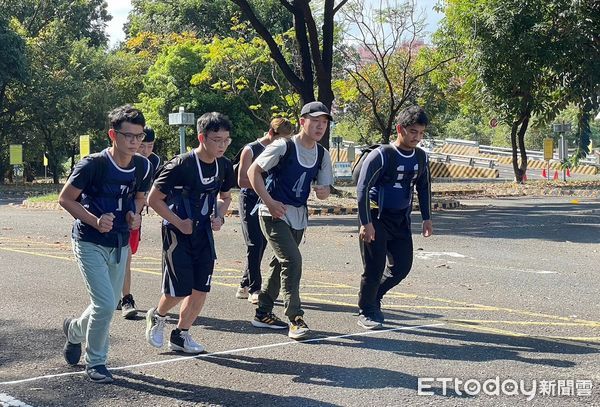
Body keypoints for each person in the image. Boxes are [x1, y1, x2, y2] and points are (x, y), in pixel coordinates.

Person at [58, 105, 152, 383]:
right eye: (129, 136)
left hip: (120, 240)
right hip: (89, 241)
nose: (135, 142)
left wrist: (135, 214)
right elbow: (66, 199)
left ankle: (74, 330)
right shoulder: (93, 165)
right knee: (104, 304)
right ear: (113, 135)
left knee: (108, 304)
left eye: (140, 136)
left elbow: (139, 196)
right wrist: (94, 220)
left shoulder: (143, 165)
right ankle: (96, 362)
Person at [145, 112, 234, 354]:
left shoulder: (224, 165)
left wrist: (219, 215)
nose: (222, 145)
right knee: (179, 288)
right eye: (217, 139)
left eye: (226, 140)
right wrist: (178, 221)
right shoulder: (180, 164)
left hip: (203, 232)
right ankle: (159, 316)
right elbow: (154, 199)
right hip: (177, 231)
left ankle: (181, 335)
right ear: (201, 137)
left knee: (201, 288)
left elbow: (225, 197)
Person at [247, 101, 333, 340]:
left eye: (324, 122)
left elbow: (323, 189)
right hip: (272, 212)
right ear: (302, 121)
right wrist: (270, 202)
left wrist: (323, 191)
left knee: (280, 264)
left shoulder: (322, 154)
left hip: (298, 216)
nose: (320, 126)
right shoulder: (283, 146)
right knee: (293, 260)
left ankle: (262, 312)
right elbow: (253, 172)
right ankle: (295, 318)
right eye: (315, 120)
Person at [355, 105, 433, 330]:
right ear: (400, 129)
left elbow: (424, 187)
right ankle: (367, 310)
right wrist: (365, 222)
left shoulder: (420, 156)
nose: (417, 138)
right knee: (374, 266)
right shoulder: (382, 155)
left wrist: (427, 218)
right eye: (412, 132)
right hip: (375, 216)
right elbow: (362, 188)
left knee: (402, 266)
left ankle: (372, 296)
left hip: (401, 219)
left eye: (421, 133)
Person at [236, 117, 294, 304]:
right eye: (281, 139)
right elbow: (242, 181)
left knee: (262, 243)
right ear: (271, 133)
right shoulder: (251, 149)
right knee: (254, 243)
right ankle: (254, 288)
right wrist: (263, 183)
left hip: (269, 201)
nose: (284, 143)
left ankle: (244, 283)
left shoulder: (284, 150)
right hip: (251, 200)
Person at [118, 127, 161, 318]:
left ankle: (117, 292)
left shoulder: (154, 162)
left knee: (128, 254)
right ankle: (126, 298)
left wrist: (136, 212)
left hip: (135, 213)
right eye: (141, 146)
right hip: (113, 214)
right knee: (123, 255)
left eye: (149, 146)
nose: (144, 150)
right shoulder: (117, 158)